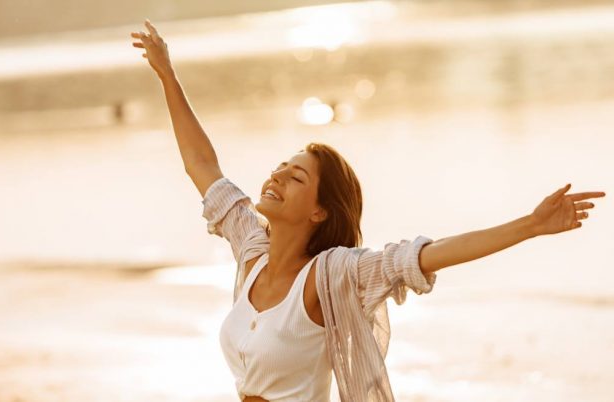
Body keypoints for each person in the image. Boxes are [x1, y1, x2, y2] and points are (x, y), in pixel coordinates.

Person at [130, 19, 606, 402]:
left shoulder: (332, 275)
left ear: (320, 213)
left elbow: (427, 256)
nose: (275, 177)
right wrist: (168, 76)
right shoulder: (251, 250)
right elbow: (202, 165)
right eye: (279, 168)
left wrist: (530, 225)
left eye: (296, 178)